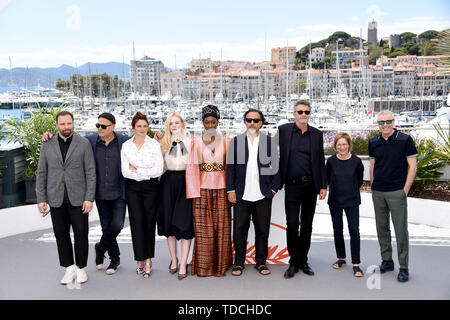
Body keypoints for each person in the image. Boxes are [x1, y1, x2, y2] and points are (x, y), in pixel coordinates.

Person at [42, 113, 130, 275]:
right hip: (100, 194)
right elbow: (67, 137)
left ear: (113, 126)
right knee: (105, 227)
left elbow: (140, 139)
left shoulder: (123, 141)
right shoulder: (90, 141)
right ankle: (114, 258)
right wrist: (51, 135)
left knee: (117, 225)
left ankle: (101, 246)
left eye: (104, 126)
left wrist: (158, 137)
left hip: (118, 191)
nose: (100, 129)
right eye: (98, 126)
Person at [36, 111, 96, 285]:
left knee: (81, 234)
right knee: (61, 235)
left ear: (73, 123)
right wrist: (41, 198)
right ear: (56, 125)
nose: (66, 127)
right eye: (62, 124)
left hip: (79, 198)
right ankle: (69, 268)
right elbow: (42, 173)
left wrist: (89, 198)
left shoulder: (83, 144)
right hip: (56, 198)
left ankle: (81, 268)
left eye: (69, 123)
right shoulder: (47, 144)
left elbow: (90, 172)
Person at [226, 109, 280, 276]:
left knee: (262, 231)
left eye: (256, 120)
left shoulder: (269, 142)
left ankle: (261, 262)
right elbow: (231, 168)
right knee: (239, 231)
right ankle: (239, 263)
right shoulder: (236, 142)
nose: (252, 123)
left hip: (263, 194)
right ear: (245, 122)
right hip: (241, 194)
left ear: (261, 123)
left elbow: (277, 168)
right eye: (249, 120)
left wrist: (273, 189)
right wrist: (231, 189)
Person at [277, 100, 327, 279]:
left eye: (306, 112)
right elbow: (273, 154)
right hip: (291, 185)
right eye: (300, 112)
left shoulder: (316, 134)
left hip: (310, 186)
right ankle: (293, 261)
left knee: (307, 224)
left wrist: (323, 185)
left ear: (310, 114)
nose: (303, 115)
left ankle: (303, 260)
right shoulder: (283, 131)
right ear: (294, 114)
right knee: (292, 224)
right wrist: (277, 179)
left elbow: (321, 161)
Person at [369, 110, 417, 283]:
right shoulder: (373, 141)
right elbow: (372, 165)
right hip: (378, 192)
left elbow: (412, 166)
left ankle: (403, 267)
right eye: (381, 122)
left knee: (400, 231)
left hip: (397, 191)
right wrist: (374, 185)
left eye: (388, 121)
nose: (385, 125)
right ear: (377, 124)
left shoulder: (405, 140)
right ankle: (387, 261)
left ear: (394, 122)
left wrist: (405, 189)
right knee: (382, 229)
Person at [186, 105, 232, 277]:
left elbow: (231, 166)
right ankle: (205, 267)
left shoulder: (227, 140)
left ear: (218, 122)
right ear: (203, 123)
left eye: (213, 122)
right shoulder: (195, 142)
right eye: (207, 122)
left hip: (222, 188)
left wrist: (231, 189)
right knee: (203, 230)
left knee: (222, 228)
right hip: (202, 189)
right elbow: (191, 167)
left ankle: (221, 266)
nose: (210, 125)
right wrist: (192, 192)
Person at [121, 112, 164, 278]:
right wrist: (145, 172)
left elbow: (158, 170)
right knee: (136, 223)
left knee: (148, 223)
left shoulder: (154, 145)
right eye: (139, 126)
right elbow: (125, 171)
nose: (142, 129)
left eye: (145, 126)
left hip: (151, 188)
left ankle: (147, 259)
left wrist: (137, 170)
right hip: (132, 188)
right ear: (133, 128)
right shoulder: (126, 146)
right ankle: (139, 259)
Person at [157, 113, 194, 280]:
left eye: (177, 123)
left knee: (185, 224)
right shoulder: (163, 143)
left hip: (185, 181)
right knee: (169, 224)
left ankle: (184, 262)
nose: (174, 126)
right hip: (168, 182)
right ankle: (174, 259)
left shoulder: (191, 142)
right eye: (171, 123)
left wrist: (179, 139)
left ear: (182, 124)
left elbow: (190, 160)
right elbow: (162, 165)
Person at [326, 133, 364, 277]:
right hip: (335, 200)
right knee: (337, 230)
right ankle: (341, 258)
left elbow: (359, 180)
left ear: (349, 145)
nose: (342, 147)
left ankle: (356, 263)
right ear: (335, 146)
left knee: (354, 230)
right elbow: (329, 179)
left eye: (344, 144)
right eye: (339, 144)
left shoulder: (356, 162)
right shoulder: (330, 161)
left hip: (352, 200)